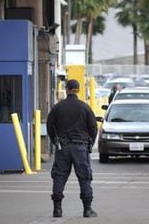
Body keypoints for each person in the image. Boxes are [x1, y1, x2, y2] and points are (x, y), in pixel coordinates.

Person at [47, 79, 98, 218]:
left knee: (59, 176)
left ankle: (57, 209)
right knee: (84, 177)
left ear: (67, 89)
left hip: (62, 147)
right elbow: (93, 127)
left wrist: (55, 141)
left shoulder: (57, 108)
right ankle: (87, 209)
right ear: (78, 90)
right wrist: (90, 144)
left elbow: (50, 126)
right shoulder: (85, 107)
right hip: (81, 147)